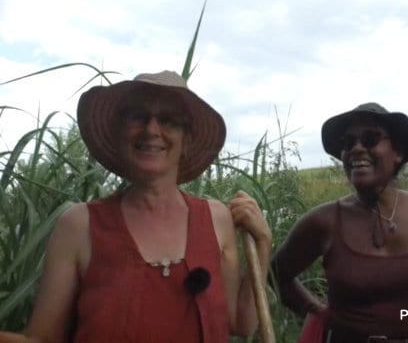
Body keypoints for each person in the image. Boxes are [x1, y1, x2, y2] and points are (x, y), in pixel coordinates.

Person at [0, 71, 272, 343]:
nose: (152, 129)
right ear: (120, 134)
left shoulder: (217, 219)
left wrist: (263, 243)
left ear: (186, 140)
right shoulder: (79, 225)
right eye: (138, 117)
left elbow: (240, 323)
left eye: (167, 120)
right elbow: (43, 339)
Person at [270, 103, 408, 343]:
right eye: (348, 142)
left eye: (371, 138)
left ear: (398, 152)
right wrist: (317, 312)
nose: (356, 149)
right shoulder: (324, 221)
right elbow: (276, 274)